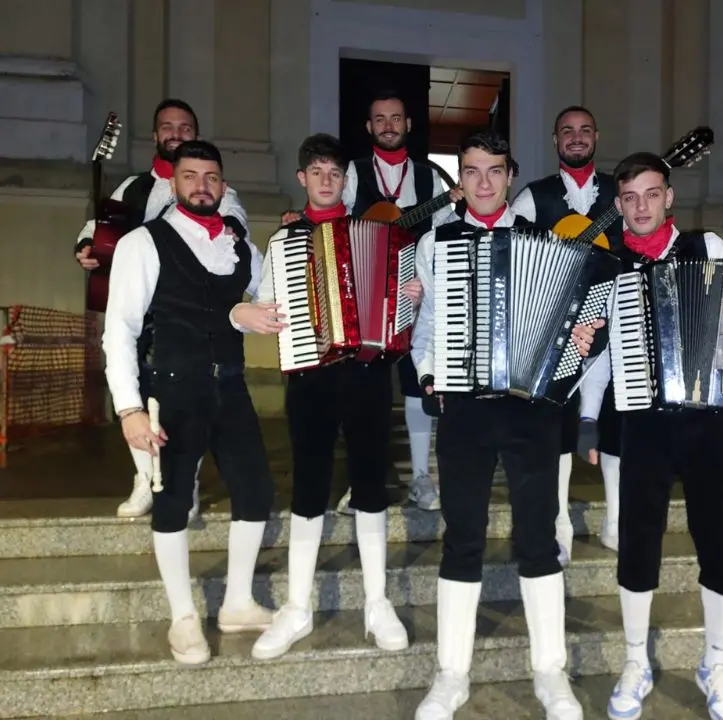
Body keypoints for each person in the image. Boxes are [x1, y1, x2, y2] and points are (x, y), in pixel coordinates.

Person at [572, 151, 723, 720]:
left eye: (650, 194)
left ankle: (715, 662)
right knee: (638, 542)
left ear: (668, 198)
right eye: (629, 197)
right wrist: (589, 418)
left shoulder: (707, 249)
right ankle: (635, 660)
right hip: (641, 424)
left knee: (719, 542)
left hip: (708, 422)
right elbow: (599, 363)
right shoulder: (605, 270)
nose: (641, 206)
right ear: (618, 205)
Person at [410, 130, 583, 720]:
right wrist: (429, 372)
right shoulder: (438, 242)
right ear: (460, 177)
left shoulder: (544, 240)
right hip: (465, 408)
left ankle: (550, 672)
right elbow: (426, 324)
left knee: (539, 536)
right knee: (463, 536)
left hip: (532, 409)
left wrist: (580, 347)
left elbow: (572, 324)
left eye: (494, 171)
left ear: (510, 175)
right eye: (472, 171)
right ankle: (451, 674)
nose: (483, 182)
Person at [237, 134, 418, 659]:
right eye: (315, 171)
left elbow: (401, 311)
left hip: (366, 373)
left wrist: (410, 298)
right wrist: (256, 315)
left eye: (334, 173)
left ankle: (377, 601)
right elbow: (265, 305)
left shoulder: (383, 235)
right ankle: (296, 606)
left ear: (345, 180)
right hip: (311, 377)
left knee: (370, 484)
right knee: (310, 486)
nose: (324, 180)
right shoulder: (284, 242)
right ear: (302, 178)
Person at [102, 140, 274, 664]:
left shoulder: (242, 246)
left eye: (212, 177)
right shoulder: (144, 241)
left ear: (223, 186)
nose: (203, 185)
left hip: (232, 386)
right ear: (174, 183)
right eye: (191, 176)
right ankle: (182, 618)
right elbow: (120, 330)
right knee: (174, 499)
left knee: (255, 490)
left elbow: (273, 295)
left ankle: (239, 602)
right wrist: (130, 409)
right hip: (173, 388)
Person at [75, 98, 247, 520]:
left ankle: (181, 481)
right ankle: (143, 478)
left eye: (185, 128)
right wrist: (87, 248)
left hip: (186, 313)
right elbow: (97, 226)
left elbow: (235, 230)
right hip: (137, 308)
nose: (176, 134)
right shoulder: (131, 186)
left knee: (184, 402)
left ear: (196, 134)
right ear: (155, 136)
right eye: (167, 127)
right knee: (131, 388)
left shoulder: (215, 190)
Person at [335, 90, 458, 514]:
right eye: (379, 118)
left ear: (409, 125)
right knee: (362, 393)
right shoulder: (350, 173)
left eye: (396, 118)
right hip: (364, 300)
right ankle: (362, 480)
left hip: (415, 299)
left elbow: (446, 235)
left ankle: (422, 477)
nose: (388, 125)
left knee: (414, 385)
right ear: (369, 127)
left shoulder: (430, 179)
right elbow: (334, 223)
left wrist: (433, 284)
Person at [511, 105, 623, 560]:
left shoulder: (620, 194)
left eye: (584, 131)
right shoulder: (532, 198)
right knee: (555, 424)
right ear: (555, 141)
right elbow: (514, 253)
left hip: (616, 319)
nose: (576, 138)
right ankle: (558, 521)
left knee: (617, 418)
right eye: (567, 132)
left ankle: (616, 520)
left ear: (596, 136)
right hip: (553, 326)